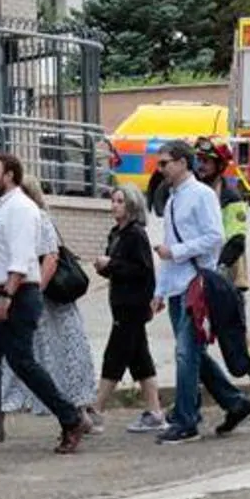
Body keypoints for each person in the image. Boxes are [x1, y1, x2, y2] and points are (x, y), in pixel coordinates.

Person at [0, 153, 90, 457]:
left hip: (16, 294)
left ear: (10, 175)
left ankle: (71, 418)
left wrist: (7, 295)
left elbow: (22, 256)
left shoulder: (22, 208)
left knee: (22, 362)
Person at [152, 141, 250, 444]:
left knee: (186, 353)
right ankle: (235, 402)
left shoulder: (202, 195)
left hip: (196, 285)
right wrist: (160, 290)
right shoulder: (172, 200)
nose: (161, 169)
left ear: (183, 163)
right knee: (194, 353)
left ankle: (186, 420)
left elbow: (215, 237)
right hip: (177, 285)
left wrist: (176, 252)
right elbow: (169, 247)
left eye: (165, 163)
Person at [195, 136, 250, 421]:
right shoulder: (198, 191)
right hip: (200, 277)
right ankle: (190, 401)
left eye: (207, 161)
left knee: (237, 341)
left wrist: (221, 269)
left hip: (226, 280)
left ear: (220, 164)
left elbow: (236, 240)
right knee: (193, 341)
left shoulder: (230, 197)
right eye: (199, 160)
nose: (201, 165)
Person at [0, 185, 97, 431]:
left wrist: (35, 293)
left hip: (48, 305)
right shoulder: (13, 218)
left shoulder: (39, 219)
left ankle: (77, 415)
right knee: (18, 359)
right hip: (28, 300)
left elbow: (51, 258)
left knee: (59, 357)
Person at [90, 183, 164, 433]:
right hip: (120, 302)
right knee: (139, 358)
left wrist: (112, 264)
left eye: (120, 201)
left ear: (132, 205)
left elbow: (142, 271)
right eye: (113, 201)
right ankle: (155, 412)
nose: (114, 206)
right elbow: (120, 269)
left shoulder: (135, 234)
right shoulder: (116, 233)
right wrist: (106, 268)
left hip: (132, 305)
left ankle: (96, 411)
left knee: (115, 355)